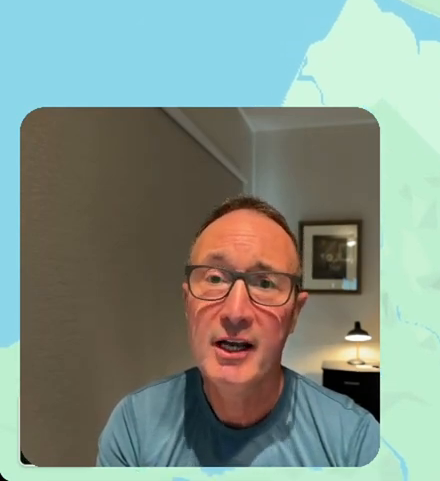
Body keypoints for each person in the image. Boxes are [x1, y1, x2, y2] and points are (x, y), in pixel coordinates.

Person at [96, 194, 379, 466]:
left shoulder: (356, 443)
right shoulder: (134, 427)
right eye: (216, 278)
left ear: (295, 313)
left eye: (265, 283)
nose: (235, 312)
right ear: (187, 302)